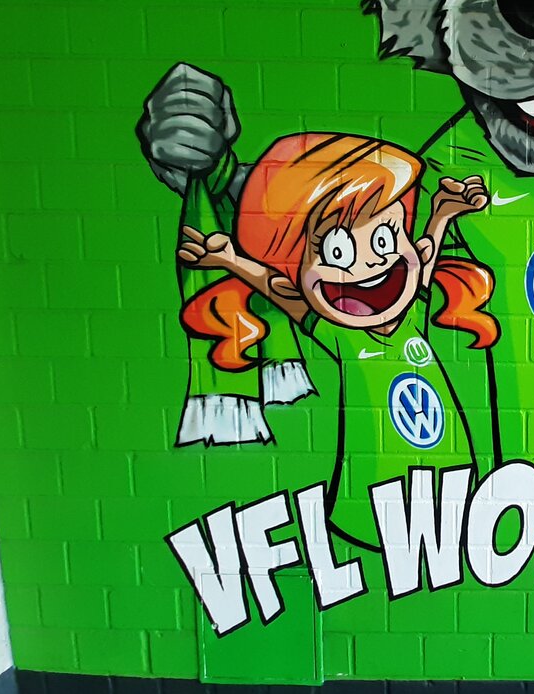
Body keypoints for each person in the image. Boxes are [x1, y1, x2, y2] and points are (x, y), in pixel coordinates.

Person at [175, 132, 498, 547]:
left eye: (385, 238)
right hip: (376, 500)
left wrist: (442, 214)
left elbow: (425, 258)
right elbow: (279, 290)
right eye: (339, 250)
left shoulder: (409, 320)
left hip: (454, 491)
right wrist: (231, 260)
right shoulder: (342, 334)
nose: (376, 260)